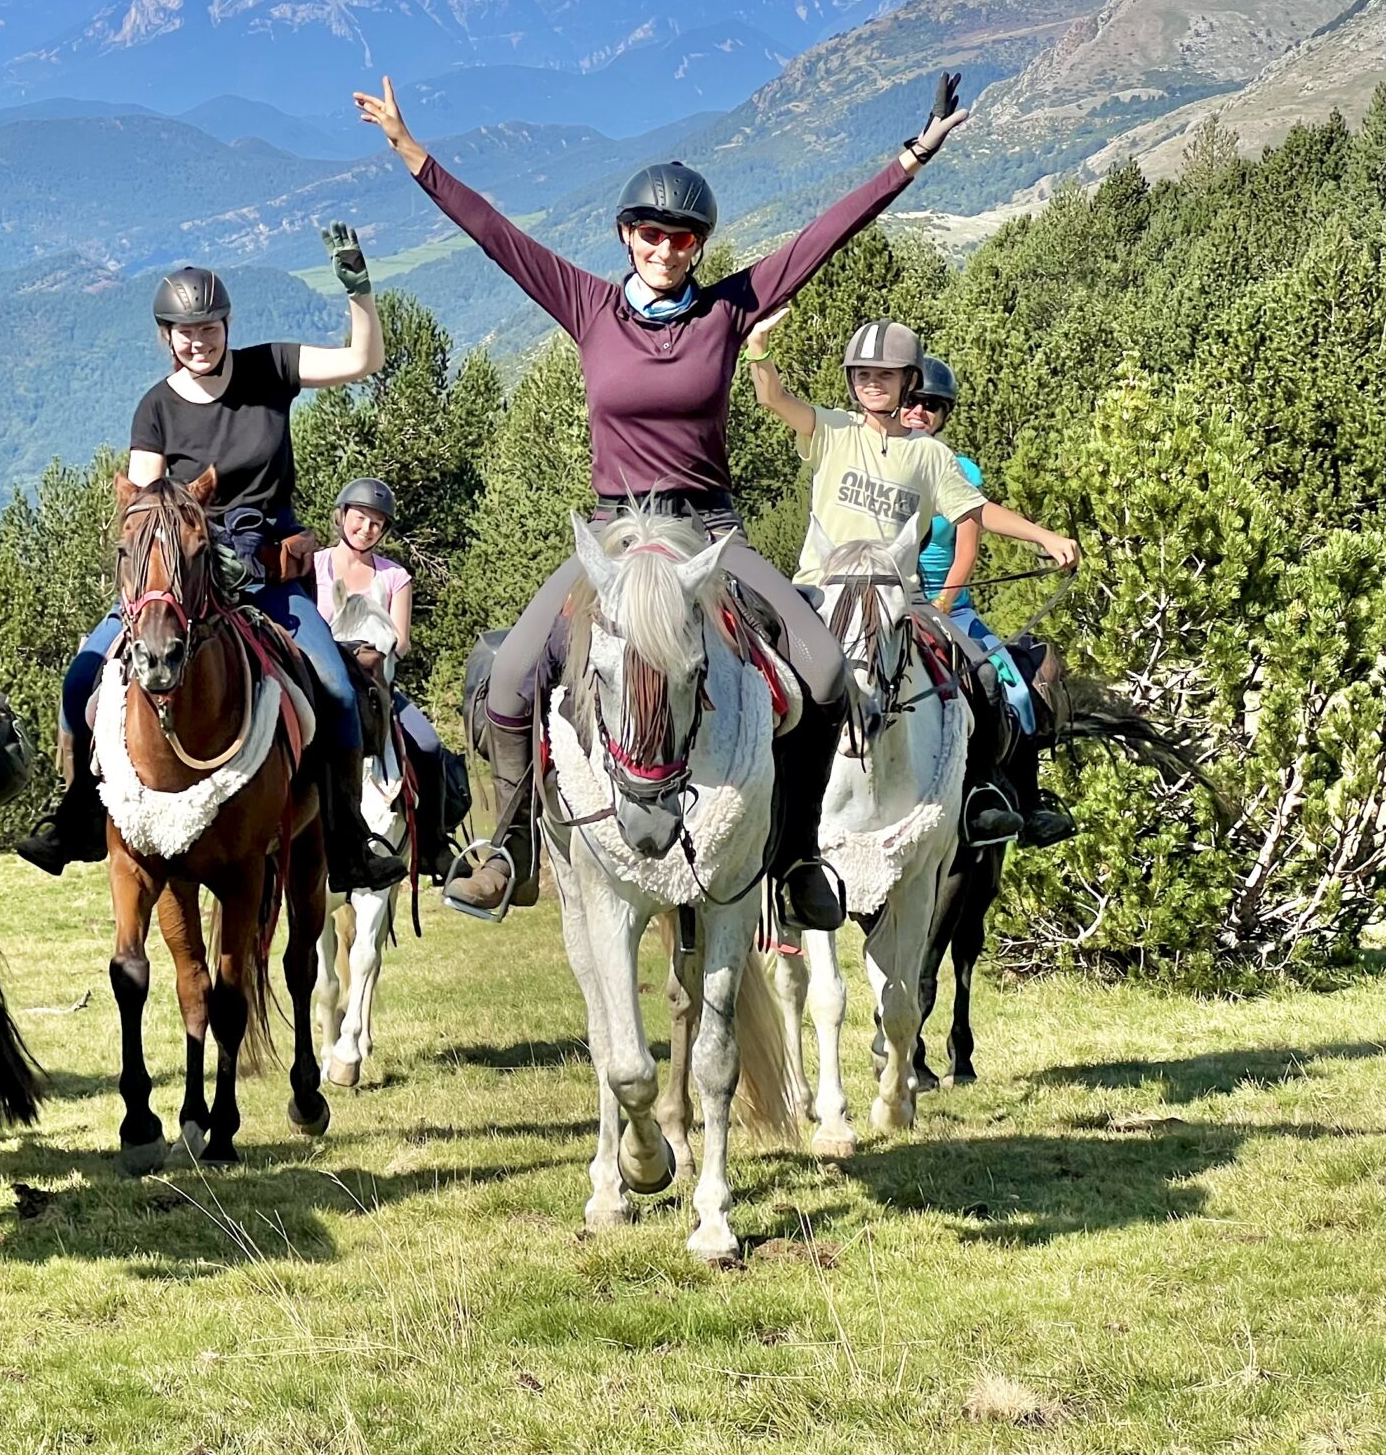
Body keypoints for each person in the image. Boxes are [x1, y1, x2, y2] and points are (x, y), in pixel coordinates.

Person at [356, 70, 974, 928]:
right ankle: (512, 846)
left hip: (711, 533)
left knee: (828, 673)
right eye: (650, 231)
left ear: (700, 245)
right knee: (505, 680)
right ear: (625, 235)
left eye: (682, 236)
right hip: (612, 535)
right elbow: (494, 234)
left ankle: (793, 856)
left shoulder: (728, 311)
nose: (665, 246)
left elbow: (822, 237)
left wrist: (911, 158)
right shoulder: (588, 304)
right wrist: (411, 151)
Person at [17, 225, 390, 888]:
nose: (198, 340)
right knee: (80, 682)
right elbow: (142, 500)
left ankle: (348, 839)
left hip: (268, 572)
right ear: (166, 335)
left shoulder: (270, 368)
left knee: (334, 689)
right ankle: (76, 816)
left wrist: (357, 287)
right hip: (179, 573)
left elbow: (362, 359)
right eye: (184, 330)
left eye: (209, 326)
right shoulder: (155, 408)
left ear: (225, 323)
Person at [746, 316, 1071, 844]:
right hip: (820, 590)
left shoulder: (930, 456)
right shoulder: (832, 429)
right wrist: (759, 351)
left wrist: (1043, 537)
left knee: (986, 678)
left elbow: (978, 511)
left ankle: (981, 793)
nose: (873, 383)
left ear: (906, 380)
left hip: (899, 597)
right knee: (761, 670)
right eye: (863, 374)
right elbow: (773, 399)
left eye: (886, 374)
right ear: (851, 380)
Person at [900, 354, 1081, 847]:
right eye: (912, 401)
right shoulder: (874, 460)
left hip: (947, 608)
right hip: (880, 602)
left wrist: (940, 607)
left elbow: (966, 550)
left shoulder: (958, 470)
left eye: (932, 406)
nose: (919, 412)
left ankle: (1014, 800)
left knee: (1014, 690)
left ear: (944, 415)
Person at [320, 476, 452, 850]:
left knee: (428, 746)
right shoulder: (314, 567)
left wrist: (374, 651)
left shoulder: (395, 577)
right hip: (321, 685)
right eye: (360, 517)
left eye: (376, 523)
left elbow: (402, 641)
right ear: (342, 515)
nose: (366, 528)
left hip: (378, 685)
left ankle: (433, 845)